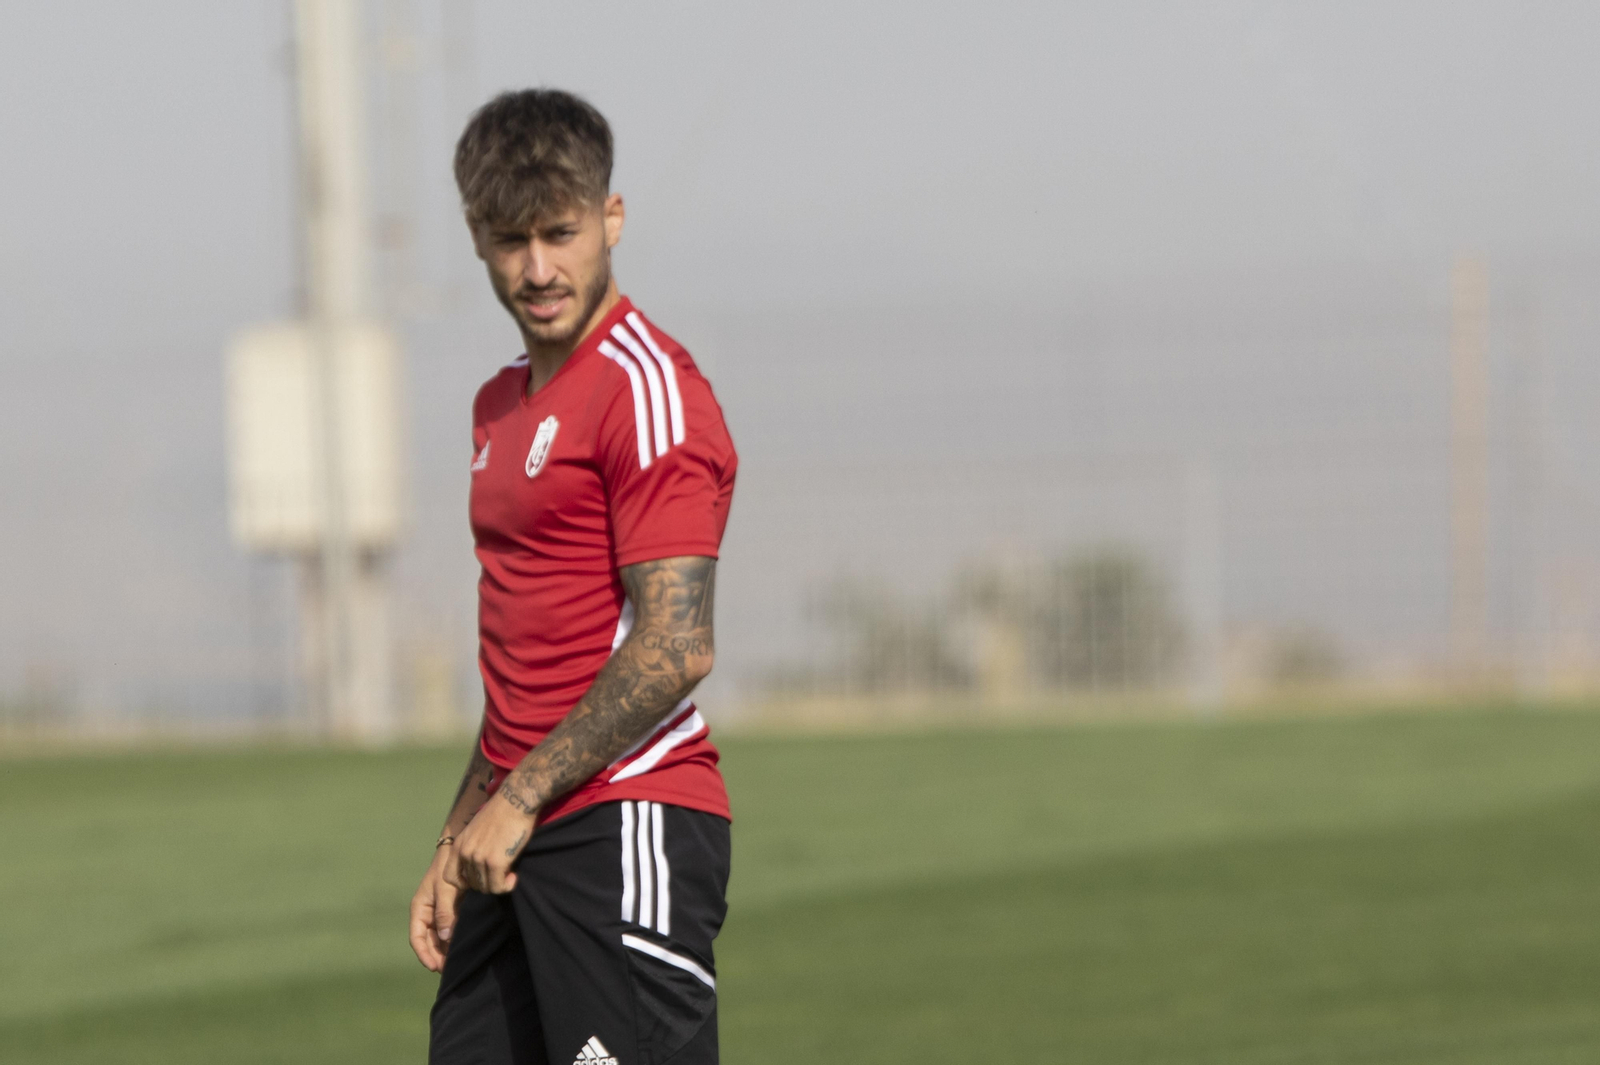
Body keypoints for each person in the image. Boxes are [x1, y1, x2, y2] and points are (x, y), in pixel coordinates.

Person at [409, 88, 738, 1065]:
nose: (538, 268)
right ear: (477, 237)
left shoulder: (649, 390)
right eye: (511, 241)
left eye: (561, 232)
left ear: (612, 219)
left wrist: (519, 800)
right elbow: (529, 664)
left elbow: (676, 644)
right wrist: (456, 836)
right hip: (507, 844)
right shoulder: (496, 405)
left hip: (622, 817)